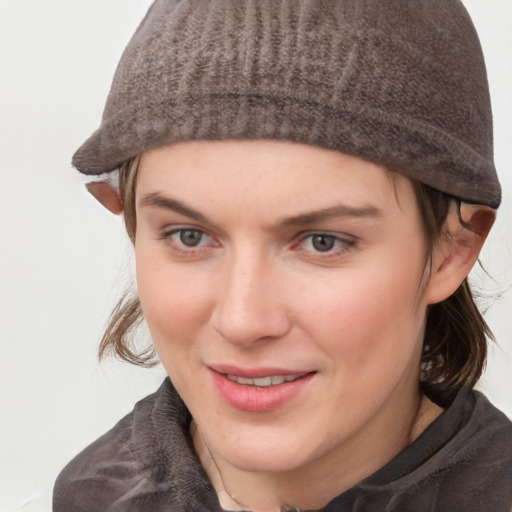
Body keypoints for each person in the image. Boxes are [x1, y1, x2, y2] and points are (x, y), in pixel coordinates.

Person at [53, 0, 512, 510]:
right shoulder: (94, 494)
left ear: (453, 250)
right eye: (188, 236)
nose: (243, 320)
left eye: (322, 242)